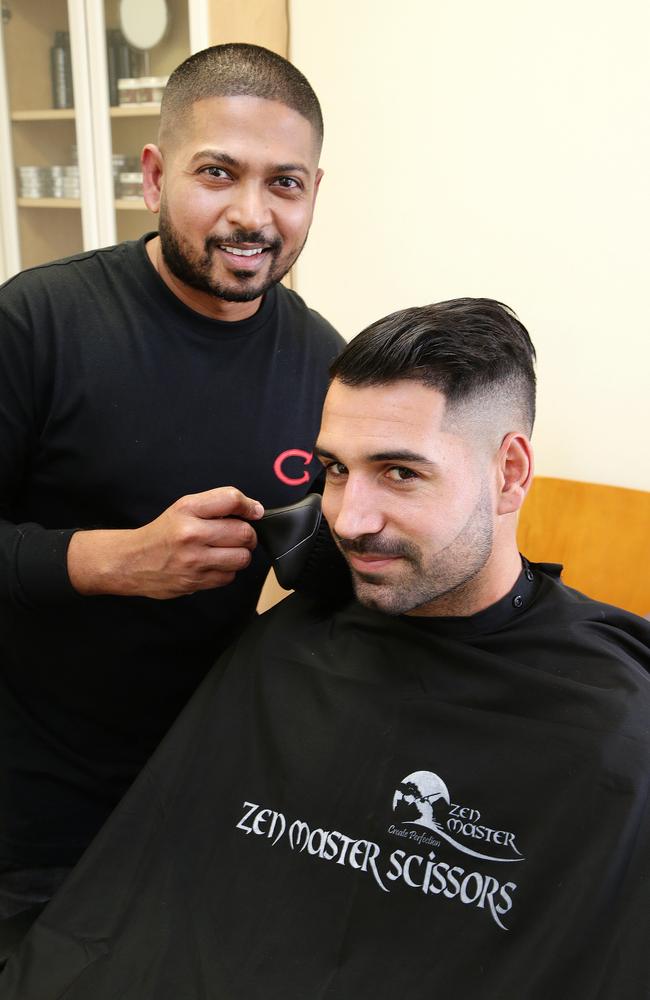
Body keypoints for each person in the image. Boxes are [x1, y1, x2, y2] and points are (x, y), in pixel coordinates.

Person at [2, 297, 648, 998]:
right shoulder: (288, 646)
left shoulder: (615, 725)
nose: (350, 518)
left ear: (510, 474)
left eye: (401, 472)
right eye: (335, 470)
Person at [0, 43, 343, 919]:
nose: (252, 215)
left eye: (285, 184)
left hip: (213, 784)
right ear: (153, 177)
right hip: (32, 803)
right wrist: (108, 561)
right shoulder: (36, 322)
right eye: (218, 174)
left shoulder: (326, 364)